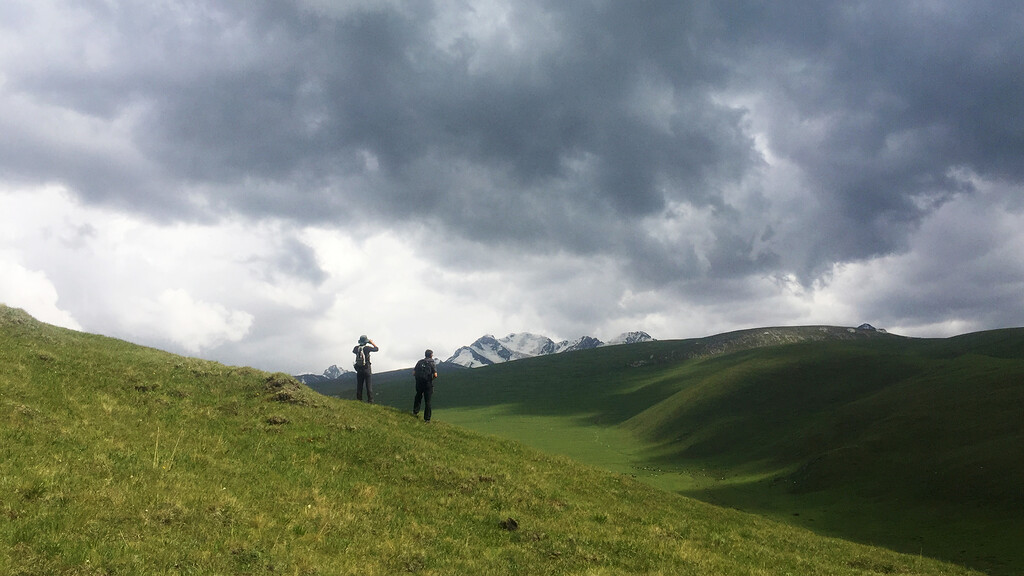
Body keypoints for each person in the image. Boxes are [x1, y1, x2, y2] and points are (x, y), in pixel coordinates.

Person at [412, 349, 438, 422]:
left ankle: (415, 412)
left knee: (418, 396)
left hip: (419, 383)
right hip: (428, 384)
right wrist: (430, 380)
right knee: (428, 401)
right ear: (431, 355)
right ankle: (427, 419)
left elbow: (413, 373)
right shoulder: (432, 362)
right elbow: (435, 375)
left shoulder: (420, 362)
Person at [352, 335, 379, 403]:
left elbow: (353, 352)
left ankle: (359, 400)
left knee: (359, 386)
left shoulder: (356, 348)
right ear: (366, 342)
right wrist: (372, 343)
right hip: (367, 369)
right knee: (368, 386)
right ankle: (370, 401)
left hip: (359, 369)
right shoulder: (367, 348)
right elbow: (376, 349)